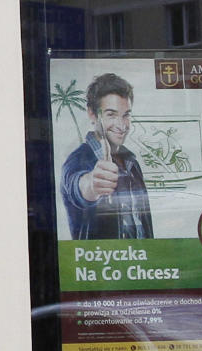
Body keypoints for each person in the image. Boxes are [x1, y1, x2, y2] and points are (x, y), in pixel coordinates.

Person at [60, 73, 153, 240]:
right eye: (111, 115)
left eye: (126, 115)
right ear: (92, 115)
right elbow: (77, 185)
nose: (121, 125)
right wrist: (93, 185)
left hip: (140, 262)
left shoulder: (132, 163)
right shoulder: (78, 160)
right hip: (104, 264)